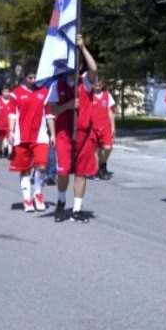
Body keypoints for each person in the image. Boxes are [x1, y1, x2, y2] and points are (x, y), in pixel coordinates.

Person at [47, 34, 98, 223]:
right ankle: (61, 202)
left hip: (83, 134)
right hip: (64, 134)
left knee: (81, 172)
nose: (72, 67)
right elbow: (53, 110)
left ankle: (77, 209)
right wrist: (68, 105)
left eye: (76, 63)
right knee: (63, 171)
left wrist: (83, 47)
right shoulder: (57, 85)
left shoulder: (85, 82)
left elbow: (94, 68)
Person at [8, 61, 53, 212]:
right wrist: (11, 131)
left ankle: (38, 194)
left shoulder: (44, 92)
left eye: (35, 78)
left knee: (42, 166)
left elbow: (49, 115)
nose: (33, 81)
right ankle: (27, 199)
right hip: (22, 137)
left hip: (40, 136)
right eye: (30, 78)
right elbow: (12, 115)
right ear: (25, 77)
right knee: (25, 170)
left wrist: (53, 134)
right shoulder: (15, 93)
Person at [91, 75, 116, 181]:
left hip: (105, 126)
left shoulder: (107, 95)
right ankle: (96, 170)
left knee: (107, 147)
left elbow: (111, 112)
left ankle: (102, 165)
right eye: (95, 85)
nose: (97, 87)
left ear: (102, 85)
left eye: (99, 85)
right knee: (95, 149)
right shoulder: (89, 96)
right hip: (93, 127)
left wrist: (113, 127)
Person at [0, 84, 12, 158]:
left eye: (8, 92)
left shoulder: (11, 101)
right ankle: (0, 150)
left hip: (9, 123)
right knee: (0, 138)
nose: (6, 93)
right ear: (2, 92)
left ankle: (9, 152)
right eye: (5, 92)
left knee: (9, 137)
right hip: (0, 123)